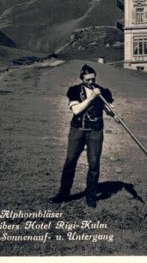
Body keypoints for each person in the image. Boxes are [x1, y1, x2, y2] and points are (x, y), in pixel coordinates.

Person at [49, 64, 116, 208]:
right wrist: (91, 98)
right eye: (88, 80)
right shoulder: (74, 91)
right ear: (82, 78)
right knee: (70, 161)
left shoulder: (102, 91)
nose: (91, 83)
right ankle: (63, 194)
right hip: (77, 130)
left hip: (95, 131)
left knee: (94, 164)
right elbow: (76, 110)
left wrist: (113, 112)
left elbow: (108, 109)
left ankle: (91, 197)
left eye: (93, 79)